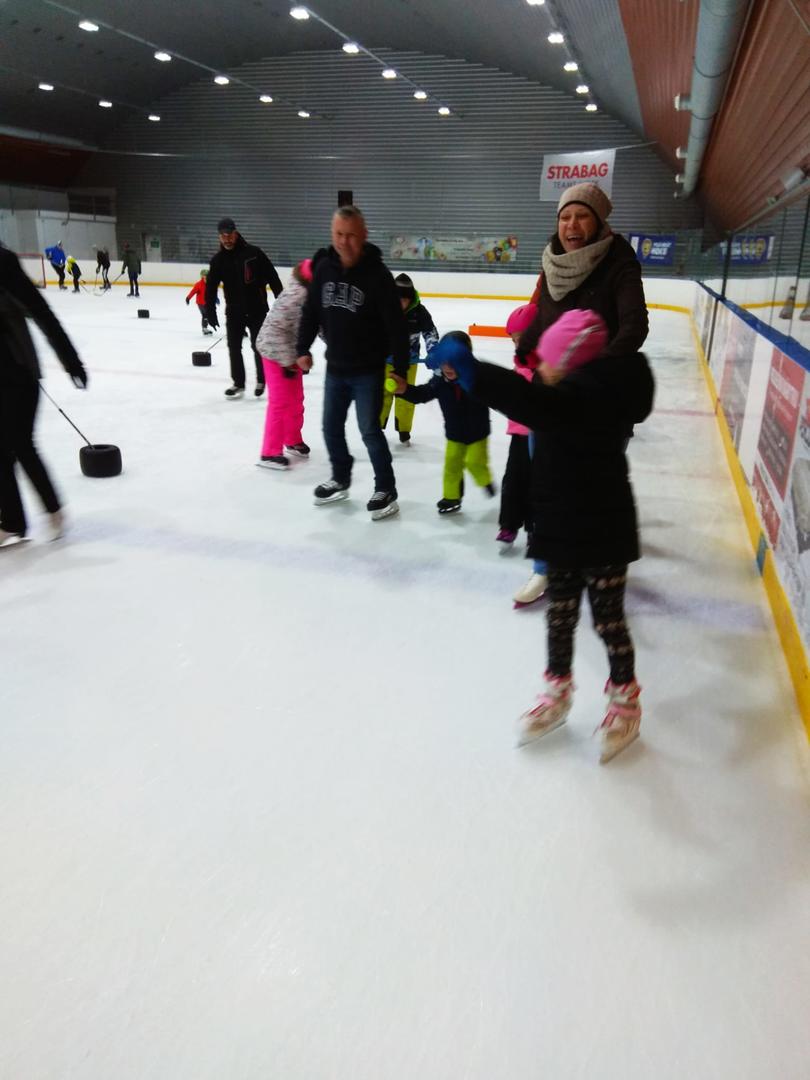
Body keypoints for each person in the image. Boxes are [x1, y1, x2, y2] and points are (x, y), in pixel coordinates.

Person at [424, 309, 654, 763]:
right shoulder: (568, 395)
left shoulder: (583, 400)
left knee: (608, 622)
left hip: (603, 534)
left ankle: (625, 702)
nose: (539, 368)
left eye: (547, 360)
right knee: (560, 617)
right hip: (561, 528)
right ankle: (557, 693)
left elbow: (526, 399)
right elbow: (534, 397)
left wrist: (473, 371)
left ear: (570, 364)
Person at [512, 181, 650, 606]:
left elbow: (634, 326)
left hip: (599, 400)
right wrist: (527, 345)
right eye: (565, 216)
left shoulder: (618, 262)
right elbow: (544, 314)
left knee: (595, 487)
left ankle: (598, 558)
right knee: (546, 484)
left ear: (599, 221)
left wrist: (597, 372)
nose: (571, 224)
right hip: (551, 395)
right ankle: (545, 567)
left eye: (582, 216)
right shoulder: (552, 262)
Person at [296, 205, 409, 521]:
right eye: (339, 234)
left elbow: (397, 327)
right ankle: (340, 478)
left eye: (351, 235)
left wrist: (400, 370)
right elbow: (311, 312)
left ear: (364, 235)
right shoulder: (324, 269)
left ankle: (386, 488)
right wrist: (302, 348)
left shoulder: (378, 276)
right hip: (336, 368)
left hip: (368, 371)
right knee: (330, 427)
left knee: (369, 431)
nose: (344, 242)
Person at [0, 243, 88, 547]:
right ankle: (12, 521)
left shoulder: (3, 263)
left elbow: (41, 312)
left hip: (18, 372)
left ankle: (52, 511)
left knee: (19, 443)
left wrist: (71, 360)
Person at [389, 331, 495, 515]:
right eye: (444, 361)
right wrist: (405, 390)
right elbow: (422, 394)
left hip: (478, 433)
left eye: (454, 361)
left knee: (474, 462)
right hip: (454, 433)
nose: (448, 367)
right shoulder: (440, 382)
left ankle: (485, 481)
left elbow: (499, 394)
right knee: (452, 464)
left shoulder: (478, 377)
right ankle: (451, 497)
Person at [204, 216, 283, 400]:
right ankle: (238, 383)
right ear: (219, 237)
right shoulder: (218, 261)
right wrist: (210, 311)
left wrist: (281, 301)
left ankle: (262, 380)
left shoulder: (253, 253)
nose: (227, 239)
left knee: (258, 346)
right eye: (223, 236)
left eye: (229, 235)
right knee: (233, 346)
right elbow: (211, 287)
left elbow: (272, 276)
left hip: (257, 309)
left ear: (236, 233)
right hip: (234, 311)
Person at [254, 258, 313, 469]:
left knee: (296, 399)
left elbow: (317, 325)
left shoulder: (311, 294)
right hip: (273, 351)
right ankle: (269, 452)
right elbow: (277, 330)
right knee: (280, 402)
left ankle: (292, 439)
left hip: (291, 352)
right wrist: (287, 361)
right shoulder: (297, 296)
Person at [380, 272, 439, 445]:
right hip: (385, 361)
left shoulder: (419, 312)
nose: (401, 303)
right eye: (398, 299)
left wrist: (433, 351)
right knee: (382, 395)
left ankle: (404, 429)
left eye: (405, 300)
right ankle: (377, 426)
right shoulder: (384, 309)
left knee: (405, 394)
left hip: (409, 362)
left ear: (411, 299)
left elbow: (430, 332)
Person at [497, 303, 538, 550]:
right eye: (514, 340)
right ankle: (508, 524)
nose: (517, 344)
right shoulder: (519, 364)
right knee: (513, 480)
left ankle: (534, 527)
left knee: (537, 482)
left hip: (541, 435)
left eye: (521, 338)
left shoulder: (548, 367)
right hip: (519, 434)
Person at [186, 269, 213, 335]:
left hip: (207, 303)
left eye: (207, 275)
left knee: (207, 315)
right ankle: (204, 329)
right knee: (205, 315)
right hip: (200, 303)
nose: (206, 277)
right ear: (202, 276)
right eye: (205, 275)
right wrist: (188, 298)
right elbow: (193, 291)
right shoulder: (199, 284)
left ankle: (205, 328)